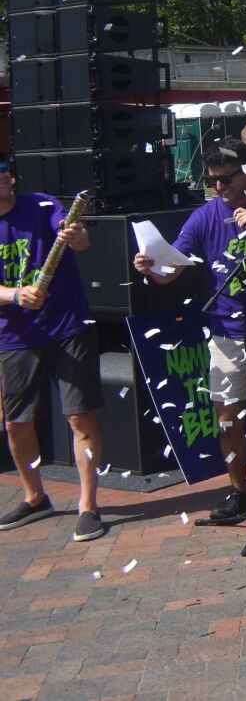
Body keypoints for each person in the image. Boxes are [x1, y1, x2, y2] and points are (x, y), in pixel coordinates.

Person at [133, 139, 246, 522]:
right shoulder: (204, 217)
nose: (220, 188)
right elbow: (173, 269)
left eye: (227, 179)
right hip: (228, 332)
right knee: (228, 418)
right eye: (213, 181)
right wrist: (152, 269)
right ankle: (240, 492)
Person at [0, 156, 103, 542]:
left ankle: (88, 506)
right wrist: (13, 295)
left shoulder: (42, 204)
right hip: (15, 336)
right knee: (16, 422)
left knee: (80, 416)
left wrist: (75, 235)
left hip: (67, 326)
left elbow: (79, 237)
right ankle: (34, 496)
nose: (3, 176)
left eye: (4, 169)